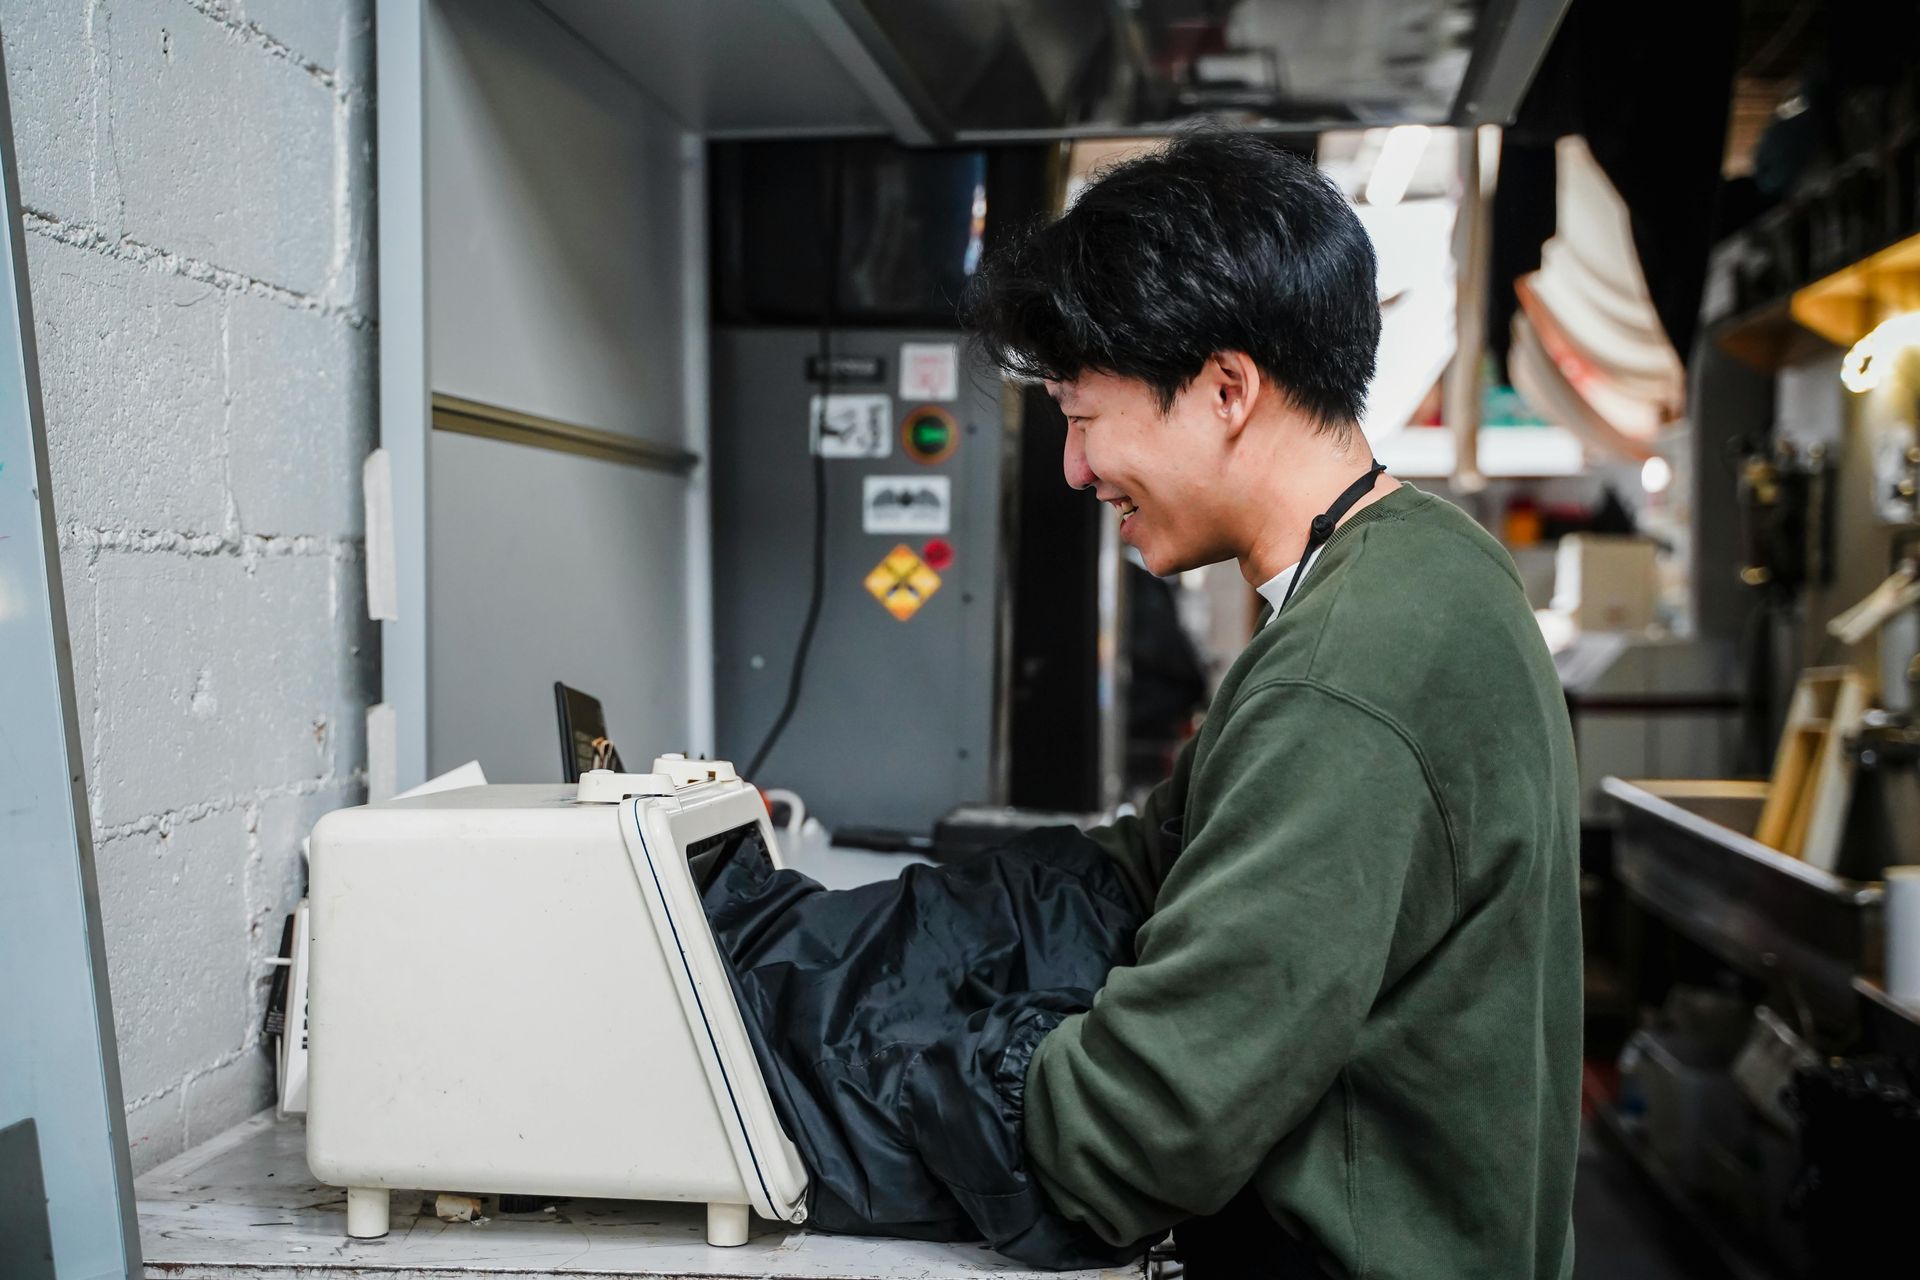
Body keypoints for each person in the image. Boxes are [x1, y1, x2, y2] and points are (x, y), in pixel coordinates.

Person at [959, 131, 1582, 1278]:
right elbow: (1154, 859)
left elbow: (1140, 1129)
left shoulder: (1348, 666)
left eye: (1084, 417)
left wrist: (875, 1069)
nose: (1075, 470)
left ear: (1227, 388)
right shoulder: (1418, 561)